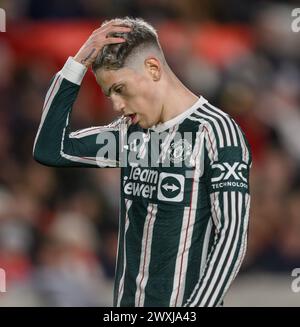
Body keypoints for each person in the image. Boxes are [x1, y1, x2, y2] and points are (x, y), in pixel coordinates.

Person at [33, 17, 251, 307]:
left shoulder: (216, 132)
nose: (117, 105)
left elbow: (231, 235)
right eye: (109, 94)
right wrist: (78, 63)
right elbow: (50, 149)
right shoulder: (127, 135)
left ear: (152, 68)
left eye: (120, 89)